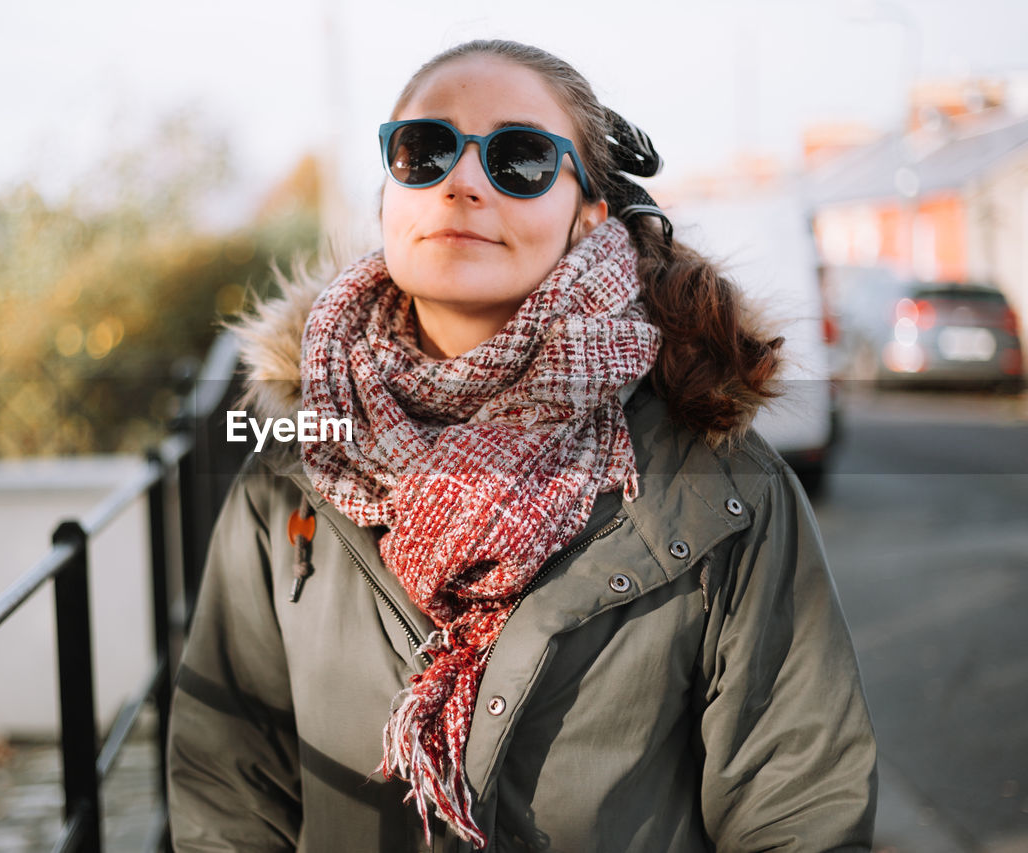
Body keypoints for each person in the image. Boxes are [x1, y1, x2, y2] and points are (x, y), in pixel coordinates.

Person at [167, 39, 877, 851]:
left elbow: (799, 805)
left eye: (522, 160)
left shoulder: (721, 488)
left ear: (588, 214)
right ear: (386, 197)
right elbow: (228, 787)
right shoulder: (290, 479)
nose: (462, 182)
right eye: (424, 151)